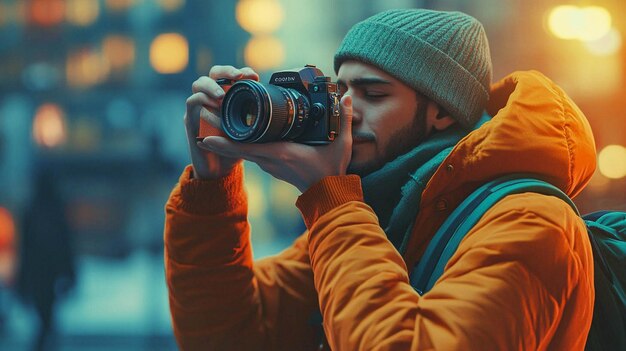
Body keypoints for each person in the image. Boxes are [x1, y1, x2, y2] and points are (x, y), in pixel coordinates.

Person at [164, 8, 597, 351]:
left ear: (442, 111)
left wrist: (330, 201)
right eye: (339, 93)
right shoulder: (373, 213)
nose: (346, 112)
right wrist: (212, 187)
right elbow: (225, 338)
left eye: (373, 95)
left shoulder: (532, 221)